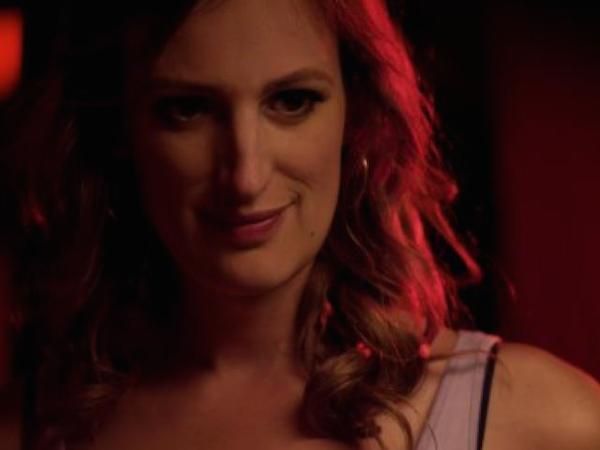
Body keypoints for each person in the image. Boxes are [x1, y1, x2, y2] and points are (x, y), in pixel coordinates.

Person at [1, 0, 599, 449]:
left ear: (357, 118)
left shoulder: (533, 419)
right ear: (119, 134)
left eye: (291, 102)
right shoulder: (39, 425)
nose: (245, 175)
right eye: (188, 109)